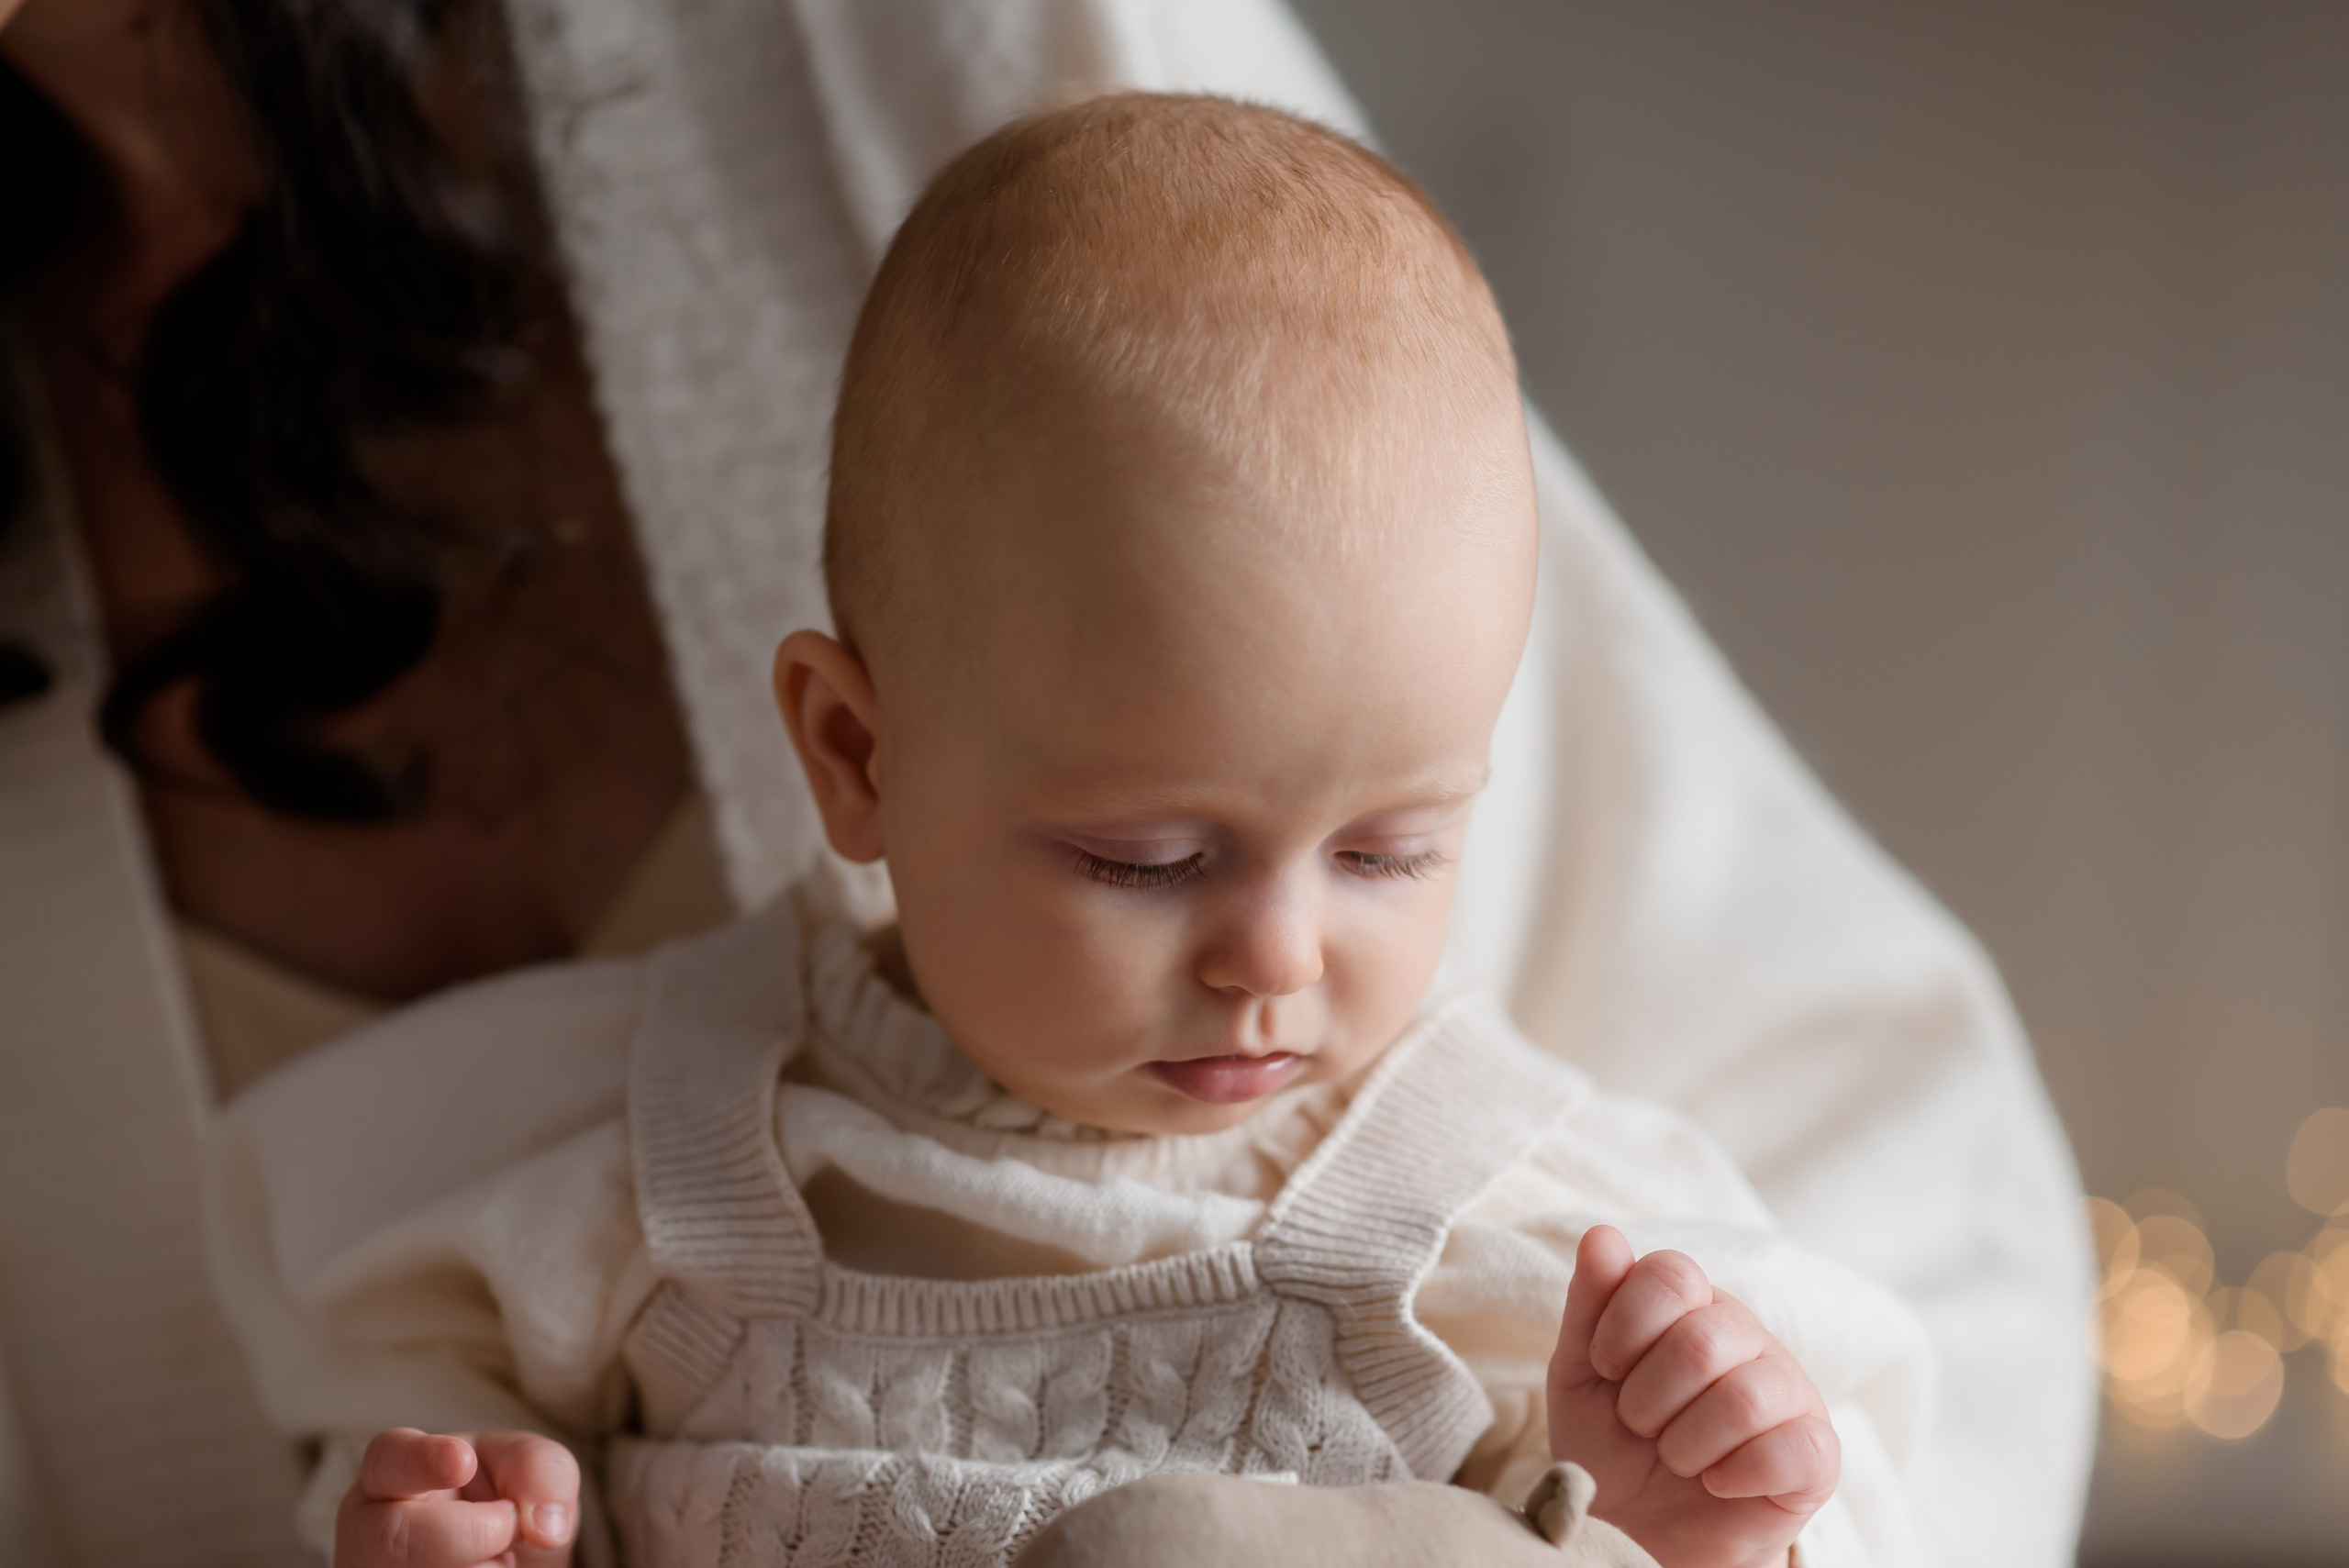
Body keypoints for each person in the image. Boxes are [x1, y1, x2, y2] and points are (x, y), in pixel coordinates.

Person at [0, 4, 2092, 1566]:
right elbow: (384, 1396)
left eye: (1392, 850)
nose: (1273, 958)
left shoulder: (1471, 1208)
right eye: (1144, 856)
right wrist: (464, 1522)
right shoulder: (649, 1153)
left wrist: (1700, 1506)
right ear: (851, 752)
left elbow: (1870, 1335)